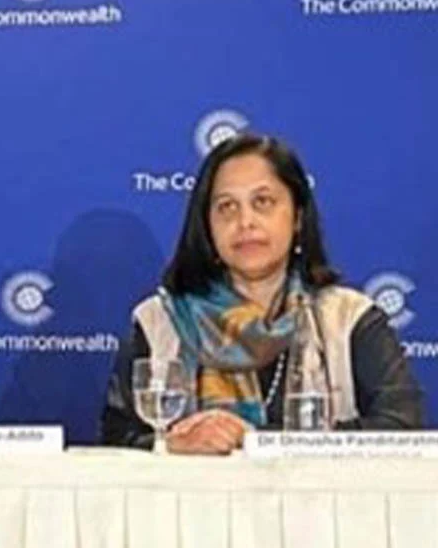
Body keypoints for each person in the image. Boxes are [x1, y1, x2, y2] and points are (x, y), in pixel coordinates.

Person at [101, 134, 424, 454]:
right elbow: (116, 442)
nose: (245, 222)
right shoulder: (160, 321)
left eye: (263, 202)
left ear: (297, 217)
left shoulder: (348, 319)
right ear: (207, 226)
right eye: (227, 207)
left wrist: (257, 440)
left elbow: (402, 428)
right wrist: (169, 444)